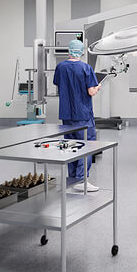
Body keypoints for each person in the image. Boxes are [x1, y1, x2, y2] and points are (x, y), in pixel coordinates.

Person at [53, 39, 102, 192]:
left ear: (69, 50)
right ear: (82, 51)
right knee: (86, 145)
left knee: (70, 145)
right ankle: (82, 179)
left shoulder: (60, 67)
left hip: (66, 114)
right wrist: (99, 85)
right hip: (83, 114)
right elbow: (91, 91)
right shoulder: (86, 68)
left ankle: (73, 177)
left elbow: (58, 84)